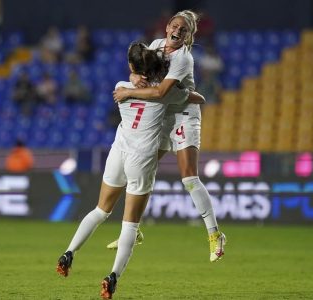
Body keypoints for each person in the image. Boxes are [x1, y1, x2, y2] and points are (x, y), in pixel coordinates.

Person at [56, 42, 205, 299]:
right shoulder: (163, 95)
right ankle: (112, 276)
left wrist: (133, 82)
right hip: (142, 158)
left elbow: (134, 84)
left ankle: (69, 252)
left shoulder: (120, 88)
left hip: (119, 152)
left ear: (131, 67)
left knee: (100, 210)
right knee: (130, 224)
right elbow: (197, 98)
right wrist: (169, 87)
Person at [112, 10, 226, 263]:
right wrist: (133, 78)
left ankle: (214, 234)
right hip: (164, 114)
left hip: (184, 114)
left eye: (183, 30)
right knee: (145, 167)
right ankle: (132, 230)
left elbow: (162, 92)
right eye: (175, 26)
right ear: (167, 27)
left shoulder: (184, 59)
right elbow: (139, 73)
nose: (177, 31)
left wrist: (129, 92)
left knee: (189, 177)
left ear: (187, 37)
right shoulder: (154, 46)